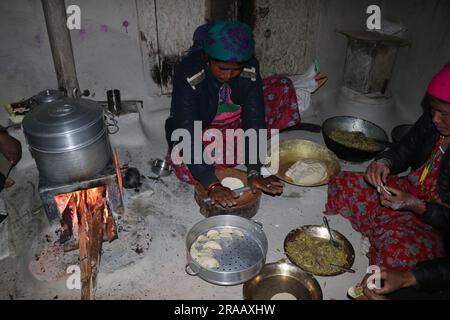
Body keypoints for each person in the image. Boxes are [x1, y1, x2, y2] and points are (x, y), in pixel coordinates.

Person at [325, 63, 450, 299]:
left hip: (435, 223)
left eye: (443, 112)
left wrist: (416, 205)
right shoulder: (432, 121)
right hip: (410, 190)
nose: (434, 118)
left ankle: (383, 228)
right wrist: (384, 163)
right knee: (346, 183)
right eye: (432, 109)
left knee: (397, 257)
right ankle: (382, 225)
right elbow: (405, 148)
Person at [165, 21, 303, 207]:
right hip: (203, 127)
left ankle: (234, 153)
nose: (229, 75)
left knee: (283, 87)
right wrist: (212, 185)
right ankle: (223, 158)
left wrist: (254, 170)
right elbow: (187, 132)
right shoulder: (189, 72)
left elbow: (254, 119)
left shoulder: (249, 68)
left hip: (234, 122)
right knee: (186, 167)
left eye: (236, 70)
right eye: (222, 69)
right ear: (208, 58)